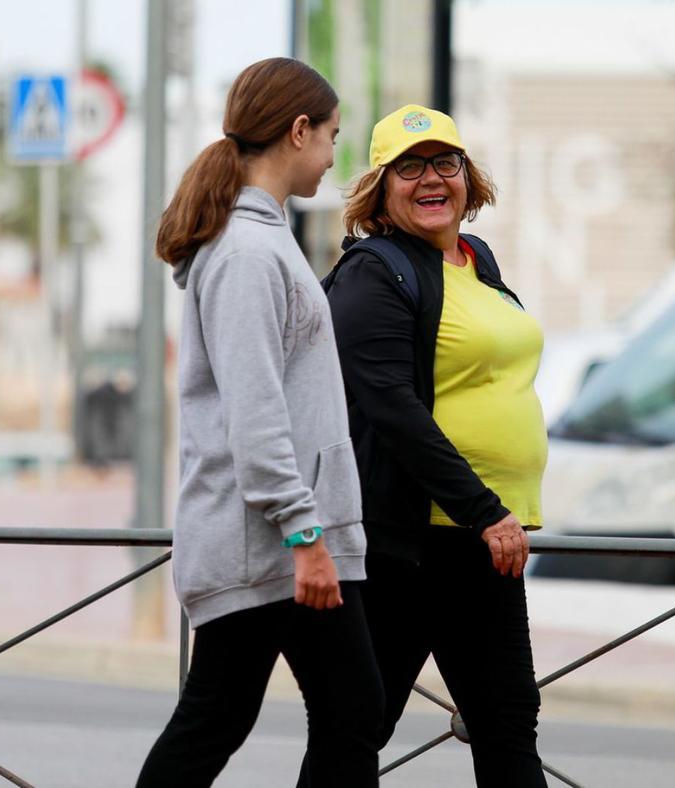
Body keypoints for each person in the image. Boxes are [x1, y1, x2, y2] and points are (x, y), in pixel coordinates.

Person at [136, 58, 382, 788]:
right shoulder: (244, 253)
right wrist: (305, 533)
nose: (334, 153)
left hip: (291, 537)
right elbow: (256, 410)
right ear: (298, 130)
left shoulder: (266, 239)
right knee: (225, 713)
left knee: (347, 709)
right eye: (332, 135)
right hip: (267, 541)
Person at [323, 104, 549, 787]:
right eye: (409, 167)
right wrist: (483, 509)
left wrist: (490, 516)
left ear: (466, 178)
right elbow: (389, 406)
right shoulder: (375, 272)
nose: (431, 179)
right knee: (360, 726)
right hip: (414, 541)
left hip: (482, 542)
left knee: (507, 719)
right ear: (380, 189)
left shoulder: (476, 261)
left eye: (444, 163)